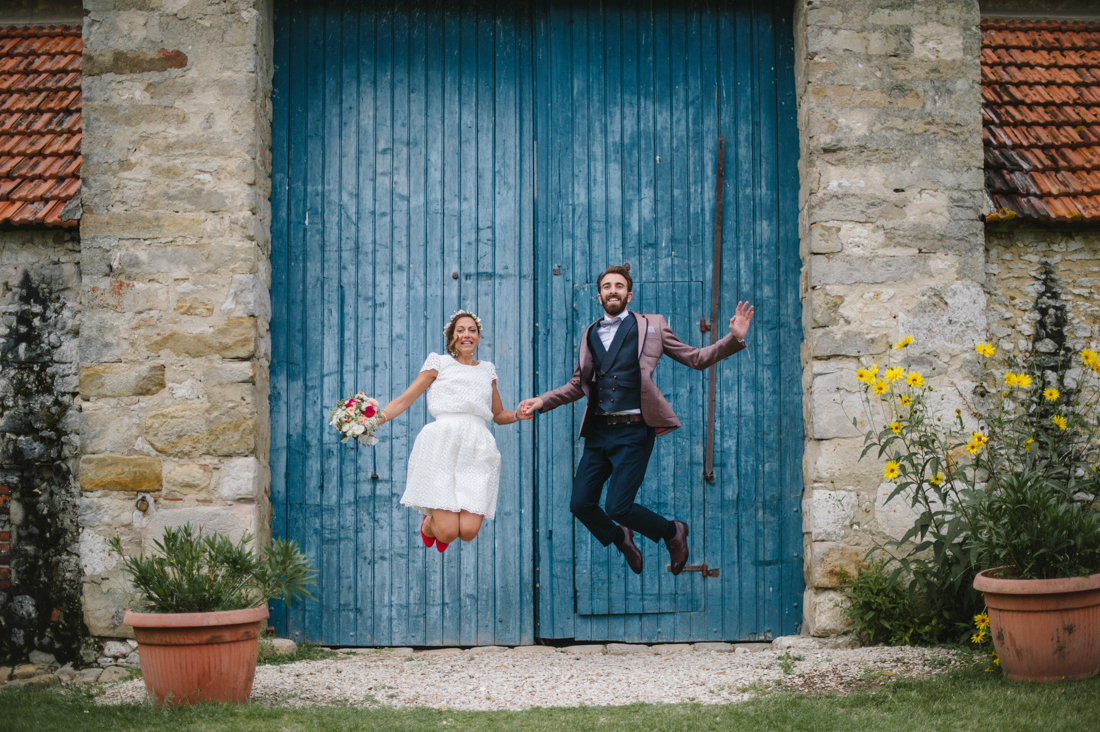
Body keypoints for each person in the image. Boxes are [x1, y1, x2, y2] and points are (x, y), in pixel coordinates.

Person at [518, 265, 753, 575]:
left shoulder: (651, 326)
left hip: (633, 432)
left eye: (618, 286)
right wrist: (542, 400)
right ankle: (620, 537)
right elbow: (578, 384)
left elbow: (695, 358)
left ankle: (672, 532)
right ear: (598, 295)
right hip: (599, 432)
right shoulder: (589, 333)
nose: (612, 290)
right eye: (606, 286)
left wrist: (732, 339)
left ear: (629, 294)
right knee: (581, 505)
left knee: (618, 506)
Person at [377, 310, 530, 552]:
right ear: (451, 337)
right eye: (460, 330)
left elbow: (499, 415)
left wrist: (518, 414)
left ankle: (434, 523)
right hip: (441, 444)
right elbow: (405, 400)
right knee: (447, 532)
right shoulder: (439, 363)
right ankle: (429, 525)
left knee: (468, 532)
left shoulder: (487, 370)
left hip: (477, 449)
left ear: (479, 336)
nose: (466, 334)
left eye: (472, 330)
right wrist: (372, 421)